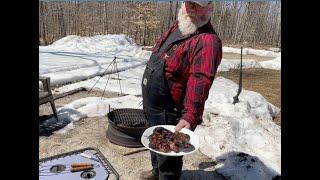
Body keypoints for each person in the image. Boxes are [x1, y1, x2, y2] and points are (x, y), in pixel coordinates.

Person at [141, 1, 222, 180]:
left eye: (197, 4)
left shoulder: (207, 41)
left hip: (169, 112)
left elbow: (200, 81)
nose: (191, 8)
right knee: (155, 146)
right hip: (152, 107)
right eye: (188, 3)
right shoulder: (179, 26)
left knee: (168, 159)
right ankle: (156, 174)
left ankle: (165, 176)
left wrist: (190, 115)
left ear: (210, 7)